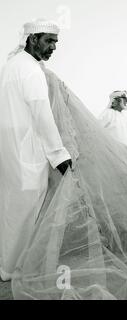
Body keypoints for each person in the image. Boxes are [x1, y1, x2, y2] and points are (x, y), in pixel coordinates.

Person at [0, 19, 72, 281]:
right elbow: (42, 115)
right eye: (48, 41)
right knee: (26, 213)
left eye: (55, 42)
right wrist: (59, 155)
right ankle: (13, 270)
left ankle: (6, 265)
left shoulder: (10, 66)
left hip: (10, 153)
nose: (53, 47)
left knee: (10, 210)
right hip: (27, 153)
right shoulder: (30, 70)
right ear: (32, 39)